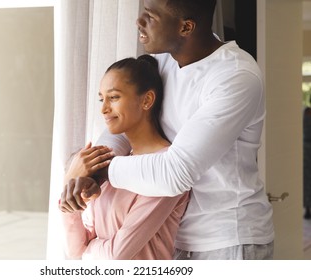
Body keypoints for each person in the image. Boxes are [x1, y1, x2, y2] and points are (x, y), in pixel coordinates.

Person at [60, 0, 274, 260]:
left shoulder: (235, 76)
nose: (139, 21)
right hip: (175, 236)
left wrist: (101, 171)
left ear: (186, 27)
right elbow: (125, 124)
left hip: (228, 238)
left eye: (151, 16)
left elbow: (176, 172)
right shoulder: (162, 64)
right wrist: (90, 169)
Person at [59, 55, 190, 260]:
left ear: (146, 100)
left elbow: (117, 256)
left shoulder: (163, 170)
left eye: (114, 97)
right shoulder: (114, 168)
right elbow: (75, 252)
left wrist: (88, 249)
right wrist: (70, 193)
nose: (103, 109)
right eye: (102, 99)